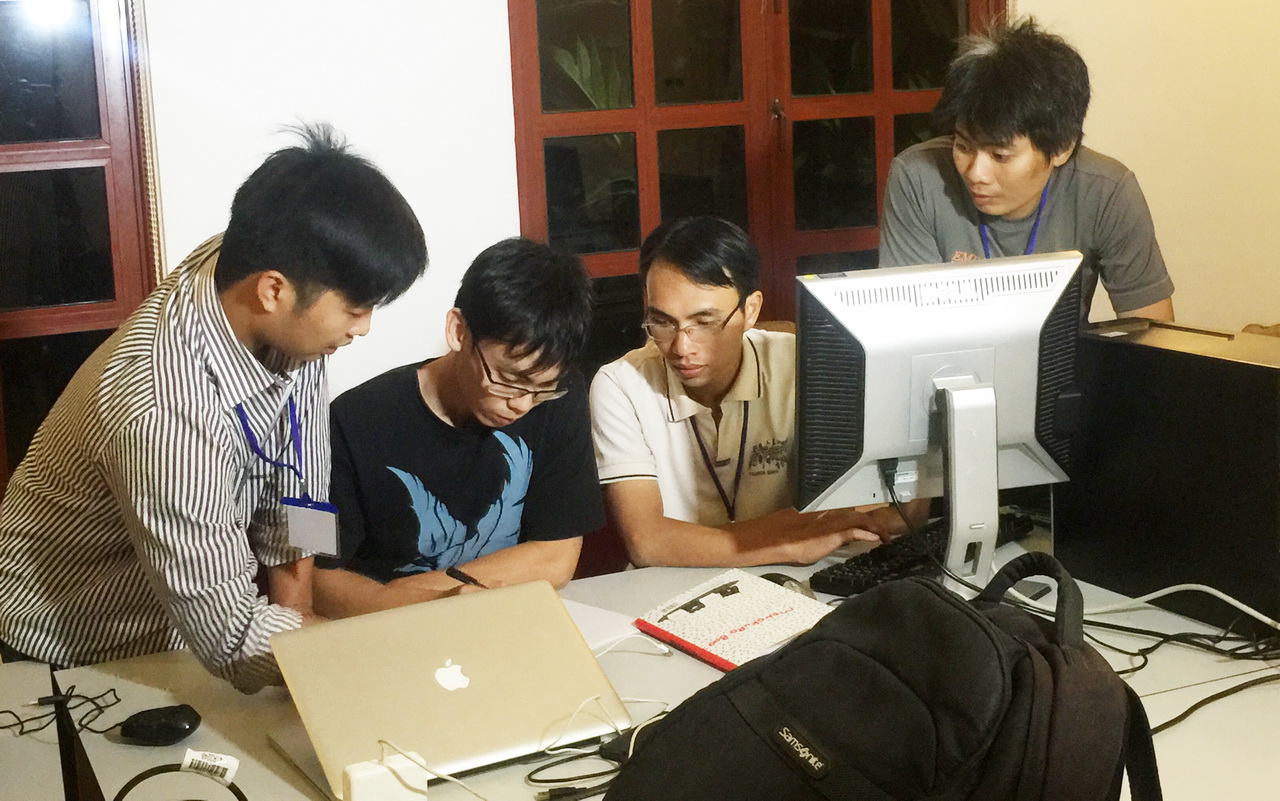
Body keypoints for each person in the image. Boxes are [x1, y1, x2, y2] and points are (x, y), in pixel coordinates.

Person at [0, 124, 427, 692]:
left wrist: (301, 619)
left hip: (180, 631)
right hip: (72, 649)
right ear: (273, 290)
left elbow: (301, 486)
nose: (364, 328)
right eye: (355, 309)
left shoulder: (264, 285)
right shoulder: (163, 410)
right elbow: (231, 636)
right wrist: (383, 662)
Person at [590, 216, 910, 568]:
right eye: (662, 322)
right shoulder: (620, 385)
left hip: (790, 577)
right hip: (671, 582)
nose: (682, 347)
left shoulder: (802, 365)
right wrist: (788, 543)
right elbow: (647, 543)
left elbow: (893, 509)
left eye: (704, 323)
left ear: (750, 310)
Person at [312, 237, 602, 617]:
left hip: (507, 618)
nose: (522, 403)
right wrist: (425, 603)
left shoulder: (558, 395)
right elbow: (318, 580)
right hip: (395, 628)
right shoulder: (356, 422)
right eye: (508, 379)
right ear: (458, 331)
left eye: (542, 388)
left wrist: (432, 590)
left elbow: (556, 555)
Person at [878, 18, 1175, 322]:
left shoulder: (1107, 191)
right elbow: (909, 325)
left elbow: (1150, 332)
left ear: (1061, 147)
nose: (976, 173)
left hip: (1061, 354)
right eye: (964, 146)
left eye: (1000, 155)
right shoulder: (918, 177)